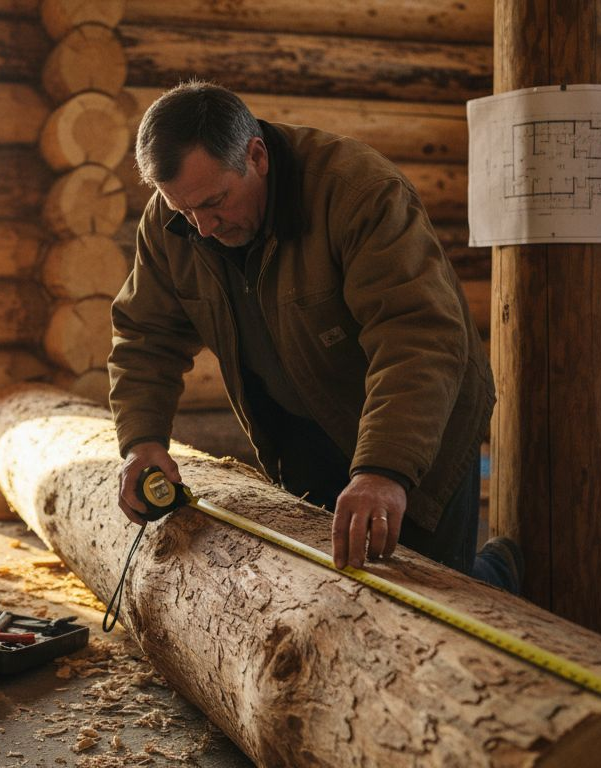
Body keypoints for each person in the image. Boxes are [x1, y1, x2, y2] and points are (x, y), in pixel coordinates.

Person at [107, 81, 521, 592]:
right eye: (185, 211)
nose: (204, 228)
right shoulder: (176, 220)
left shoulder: (359, 192)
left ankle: (502, 573)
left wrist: (383, 469)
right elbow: (145, 336)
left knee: (435, 590)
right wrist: (142, 442)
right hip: (302, 430)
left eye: (215, 203)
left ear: (256, 155)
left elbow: (416, 338)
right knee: (331, 589)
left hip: (416, 423)